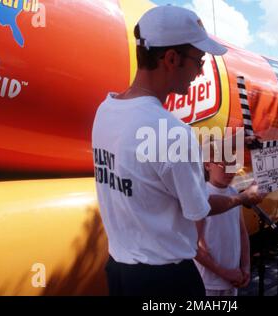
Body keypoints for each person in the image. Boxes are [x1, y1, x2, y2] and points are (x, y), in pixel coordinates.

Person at [92, 5, 264, 296]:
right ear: (171, 58)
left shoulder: (106, 109)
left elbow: (151, 171)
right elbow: (200, 208)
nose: (199, 72)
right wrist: (243, 199)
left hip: (120, 271)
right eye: (199, 61)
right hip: (165, 281)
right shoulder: (171, 132)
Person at [195, 144, 250, 296]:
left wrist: (245, 267)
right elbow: (196, 247)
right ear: (207, 165)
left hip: (233, 278)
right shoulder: (202, 195)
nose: (229, 170)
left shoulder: (233, 192)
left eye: (233, 164)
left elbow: (242, 233)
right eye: (223, 164)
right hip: (208, 282)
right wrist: (224, 273)